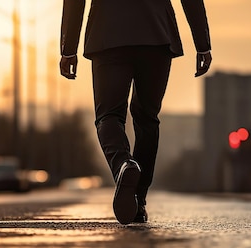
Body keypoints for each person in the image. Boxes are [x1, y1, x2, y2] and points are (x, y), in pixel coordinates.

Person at [60, 0, 212, 224]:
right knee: (147, 120)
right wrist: (203, 44)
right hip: (157, 34)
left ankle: (123, 164)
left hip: (108, 34)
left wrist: (68, 48)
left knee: (109, 116)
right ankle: (138, 201)